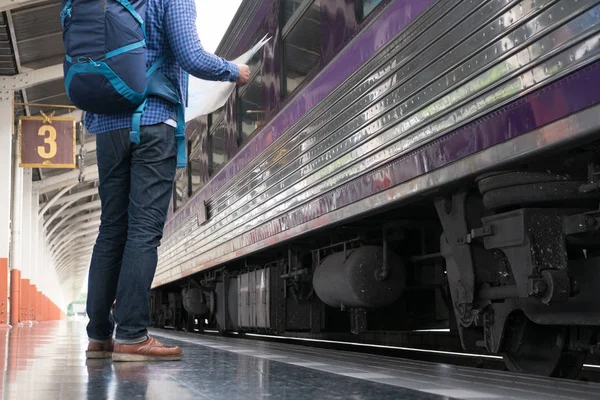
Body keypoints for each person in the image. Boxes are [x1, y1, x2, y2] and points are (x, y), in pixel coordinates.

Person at [84, 0, 250, 362]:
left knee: (111, 229)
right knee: (143, 230)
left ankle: (98, 337)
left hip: (106, 126)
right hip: (153, 119)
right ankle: (130, 335)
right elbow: (191, 56)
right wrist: (234, 71)